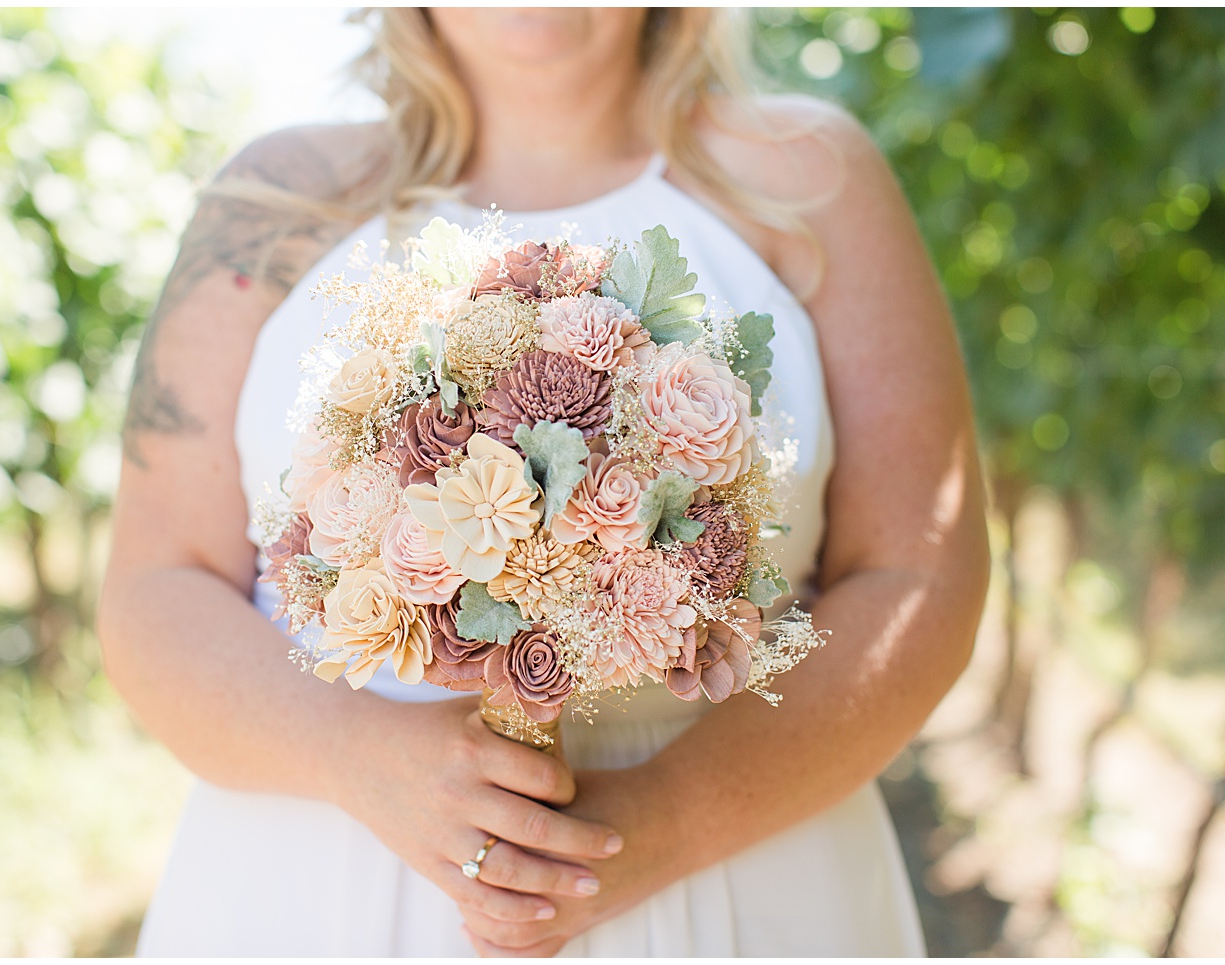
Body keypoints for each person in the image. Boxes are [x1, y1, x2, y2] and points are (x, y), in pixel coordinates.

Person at [97, 7, 990, 957]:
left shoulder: (809, 179)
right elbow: (158, 585)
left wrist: (662, 823)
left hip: (738, 874)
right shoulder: (274, 203)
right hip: (320, 891)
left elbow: (918, 576)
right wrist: (351, 756)